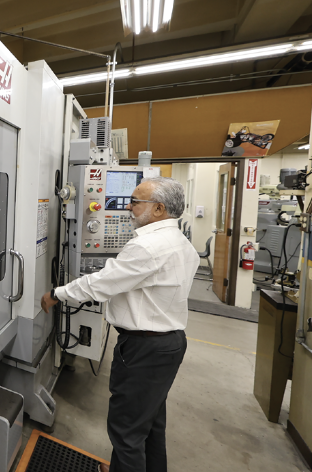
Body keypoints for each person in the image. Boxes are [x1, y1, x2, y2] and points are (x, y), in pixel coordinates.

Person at [41, 176, 199, 472]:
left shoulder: (148, 246)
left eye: (136, 201)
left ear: (158, 209)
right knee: (150, 422)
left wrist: (57, 294)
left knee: (126, 429)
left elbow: (102, 283)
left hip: (144, 348)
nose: (128, 207)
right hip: (170, 344)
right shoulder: (182, 243)